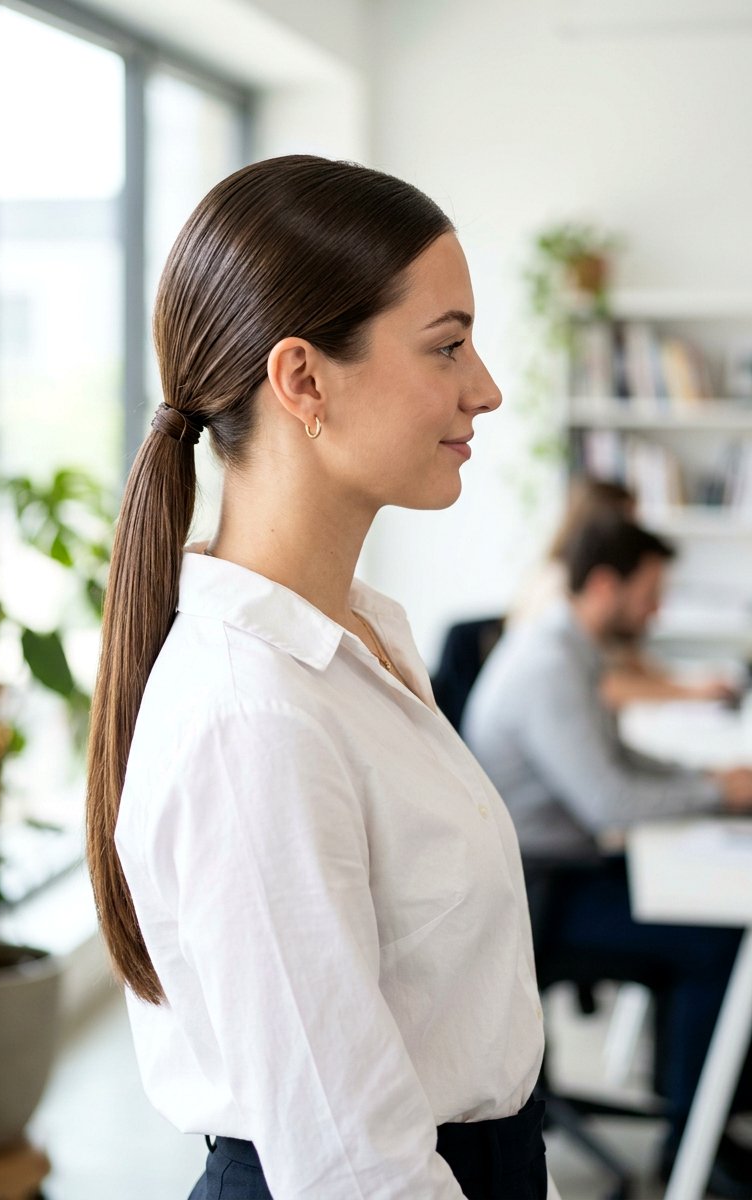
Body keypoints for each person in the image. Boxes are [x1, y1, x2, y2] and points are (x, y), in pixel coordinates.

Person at [85, 155, 554, 1200]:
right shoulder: (252, 714)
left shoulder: (358, 640)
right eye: (447, 344)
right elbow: (351, 1169)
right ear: (301, 380)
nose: (485, 388)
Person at [463, 510, 752, 1197]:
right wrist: (719, 792)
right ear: (603, 585)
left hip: (552, 868)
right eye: (649, 593)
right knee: (717, 939)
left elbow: (616, 762)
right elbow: (610, 802)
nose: (657, 610)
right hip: (536, 896)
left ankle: (693, 1100)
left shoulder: (567, 647)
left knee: (701, 913)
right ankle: (695, 1145)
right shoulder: (549, 666)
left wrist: (712, 780)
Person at [509, 474, 739, 708]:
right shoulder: (557, 589)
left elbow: (624, 660)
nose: (633, 533)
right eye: (628, 521)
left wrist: (687, 680)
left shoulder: (593, 597)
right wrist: (689, 692)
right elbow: (603, 684)